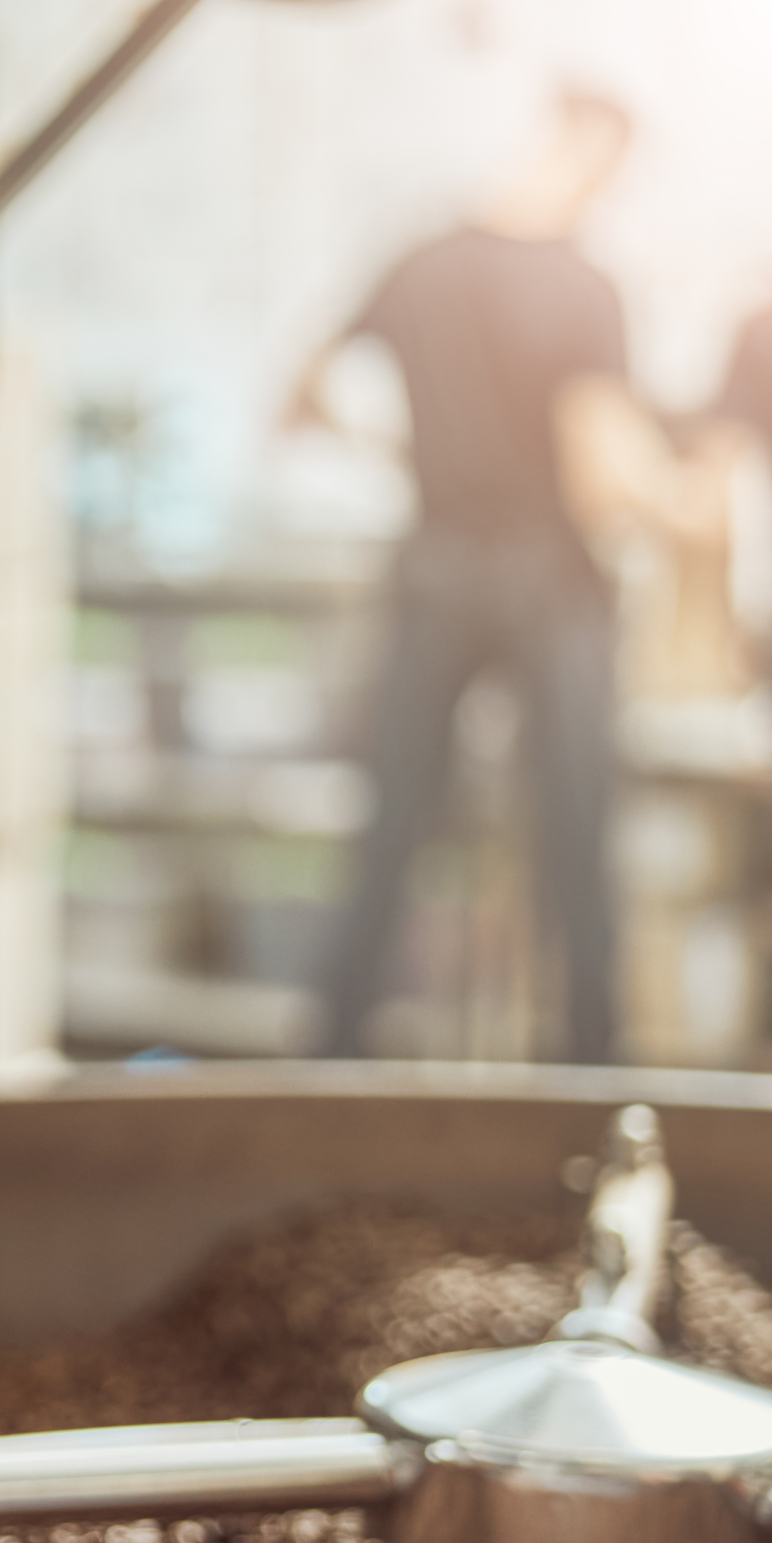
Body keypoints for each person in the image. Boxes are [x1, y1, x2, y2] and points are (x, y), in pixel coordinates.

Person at [289, 84, 679, 1066]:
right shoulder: (584, 286)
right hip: (552, 584)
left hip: (433, 567)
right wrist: (675, 496)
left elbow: (301, 397)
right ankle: (595, 1089)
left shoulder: (418, 261)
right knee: (576, 851)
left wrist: (420, 457)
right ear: (594, 153)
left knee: (389, 843)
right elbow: (597, 481)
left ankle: (323, 1076)